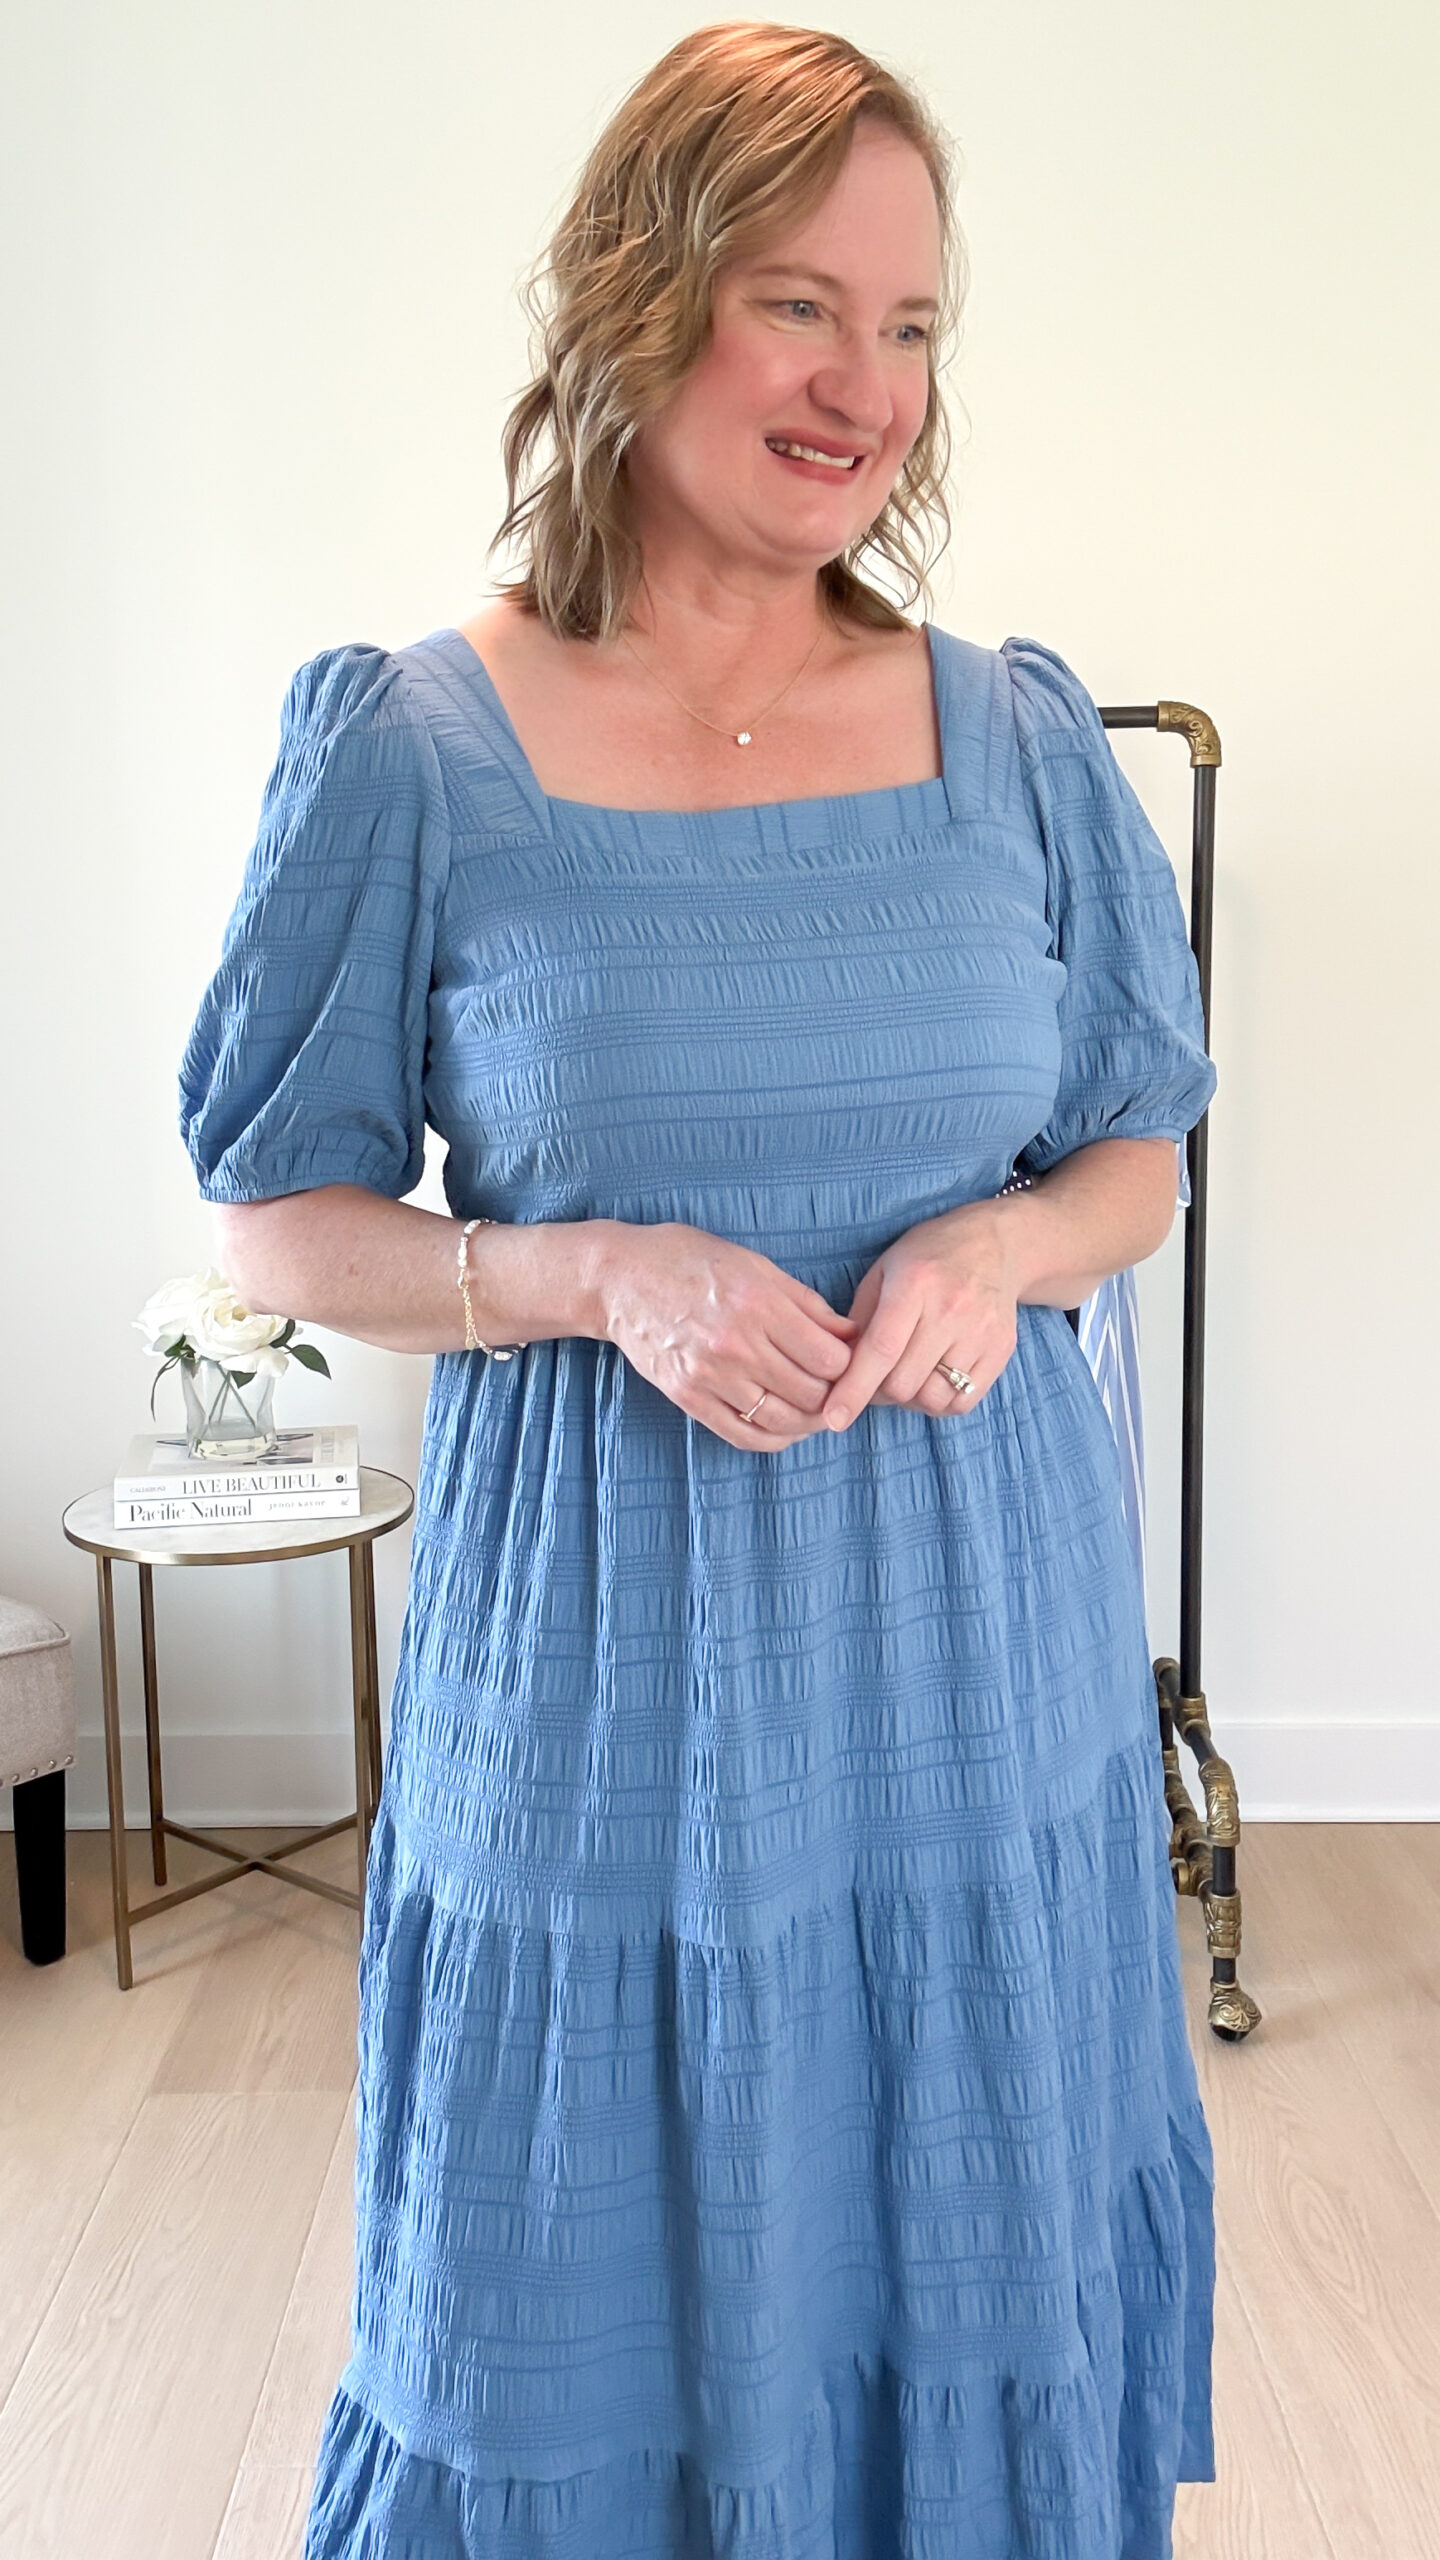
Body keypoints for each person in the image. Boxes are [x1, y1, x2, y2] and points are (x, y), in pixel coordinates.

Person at [178, 24, 1218, 2558]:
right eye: (801, 306)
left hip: (978, 1666)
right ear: (641, 302)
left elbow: (1137, 1151)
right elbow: (276, 1218)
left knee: (962, 2245)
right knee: (549, 2291)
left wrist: (1005, 1239)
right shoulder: (417, 742)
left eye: (913, 324)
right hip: (602, 1685)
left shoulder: (1016, 732)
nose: (870, 386)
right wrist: (580, 1266)